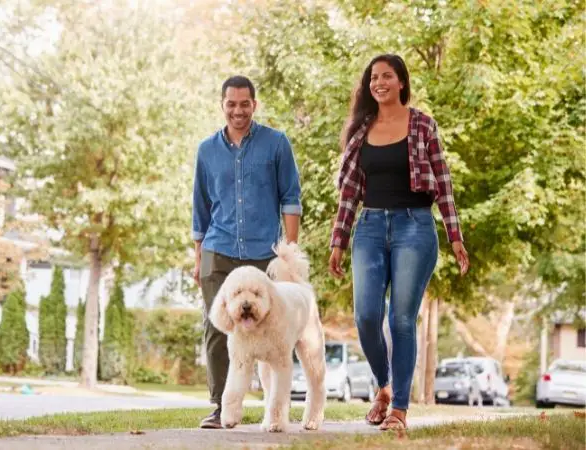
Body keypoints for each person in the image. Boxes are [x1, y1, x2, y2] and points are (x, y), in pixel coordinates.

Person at [328, 54, 470, 431]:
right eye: (374, 77)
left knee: (401, 318)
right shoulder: (361, 130)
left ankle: (400, 411)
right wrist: (338, 240)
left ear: (402, 82)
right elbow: (349, 193)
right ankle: (384, 387)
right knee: (366, 316)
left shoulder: (423, 124)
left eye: (387, 76)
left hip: (414, 227)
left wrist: (455, 236)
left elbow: (443, 182)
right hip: (370, 227)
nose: (379, 82)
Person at [192, 75, 303, 429]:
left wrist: (289, 252)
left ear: (254, 105)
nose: (237, 110)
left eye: (244, 103)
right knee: (216, 328)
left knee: (271, 327)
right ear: (222, 105)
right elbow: (200, 208)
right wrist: (198, 259)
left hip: (262, 253)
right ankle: (220, 406)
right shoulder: (207, 150)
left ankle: (275, 406)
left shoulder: (276, 143)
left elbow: (290, 198)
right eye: (231, 104)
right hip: (217, 248)